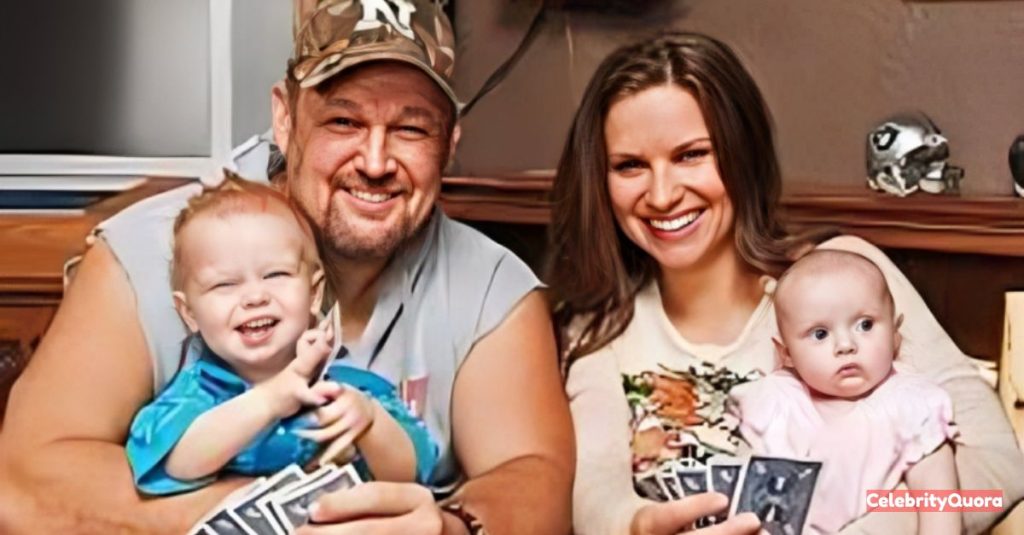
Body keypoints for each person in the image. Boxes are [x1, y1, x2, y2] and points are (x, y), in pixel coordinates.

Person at [0, 1, 573, 534]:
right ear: (284, 116)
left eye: (411, 129)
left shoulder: (495, 290)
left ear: (449, 143)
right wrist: (274, 520)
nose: (375, 162)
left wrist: (449, 528)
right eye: (343, 122)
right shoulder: (147, 253)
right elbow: (21, 484)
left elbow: (534, 476)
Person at [547, 31, 1024, 535]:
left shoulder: (845, 277)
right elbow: (596, 490)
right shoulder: (596, 326)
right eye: (630, 166)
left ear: (742, 153)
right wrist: (640, 526)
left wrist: (879, 525)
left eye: (691, 155)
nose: (662, 195)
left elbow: (998, 466)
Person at [126, 176, 437, 496]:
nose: (254, 297)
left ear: (314, 294)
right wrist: (272, 397)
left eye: (275, 274)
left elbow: (410, 475)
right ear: (189, 313)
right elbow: (177, 465)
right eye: (224, 284)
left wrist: (370, 423)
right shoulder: (193, 398)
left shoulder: (350, 392)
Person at [732, 249, 959, 534]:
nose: (846, 345)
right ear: (786, 353)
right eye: (820, 334)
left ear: (895, 333)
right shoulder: (774, 401)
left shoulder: (913, 405)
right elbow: (739, 501)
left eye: (865, 325)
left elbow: (940, 510)